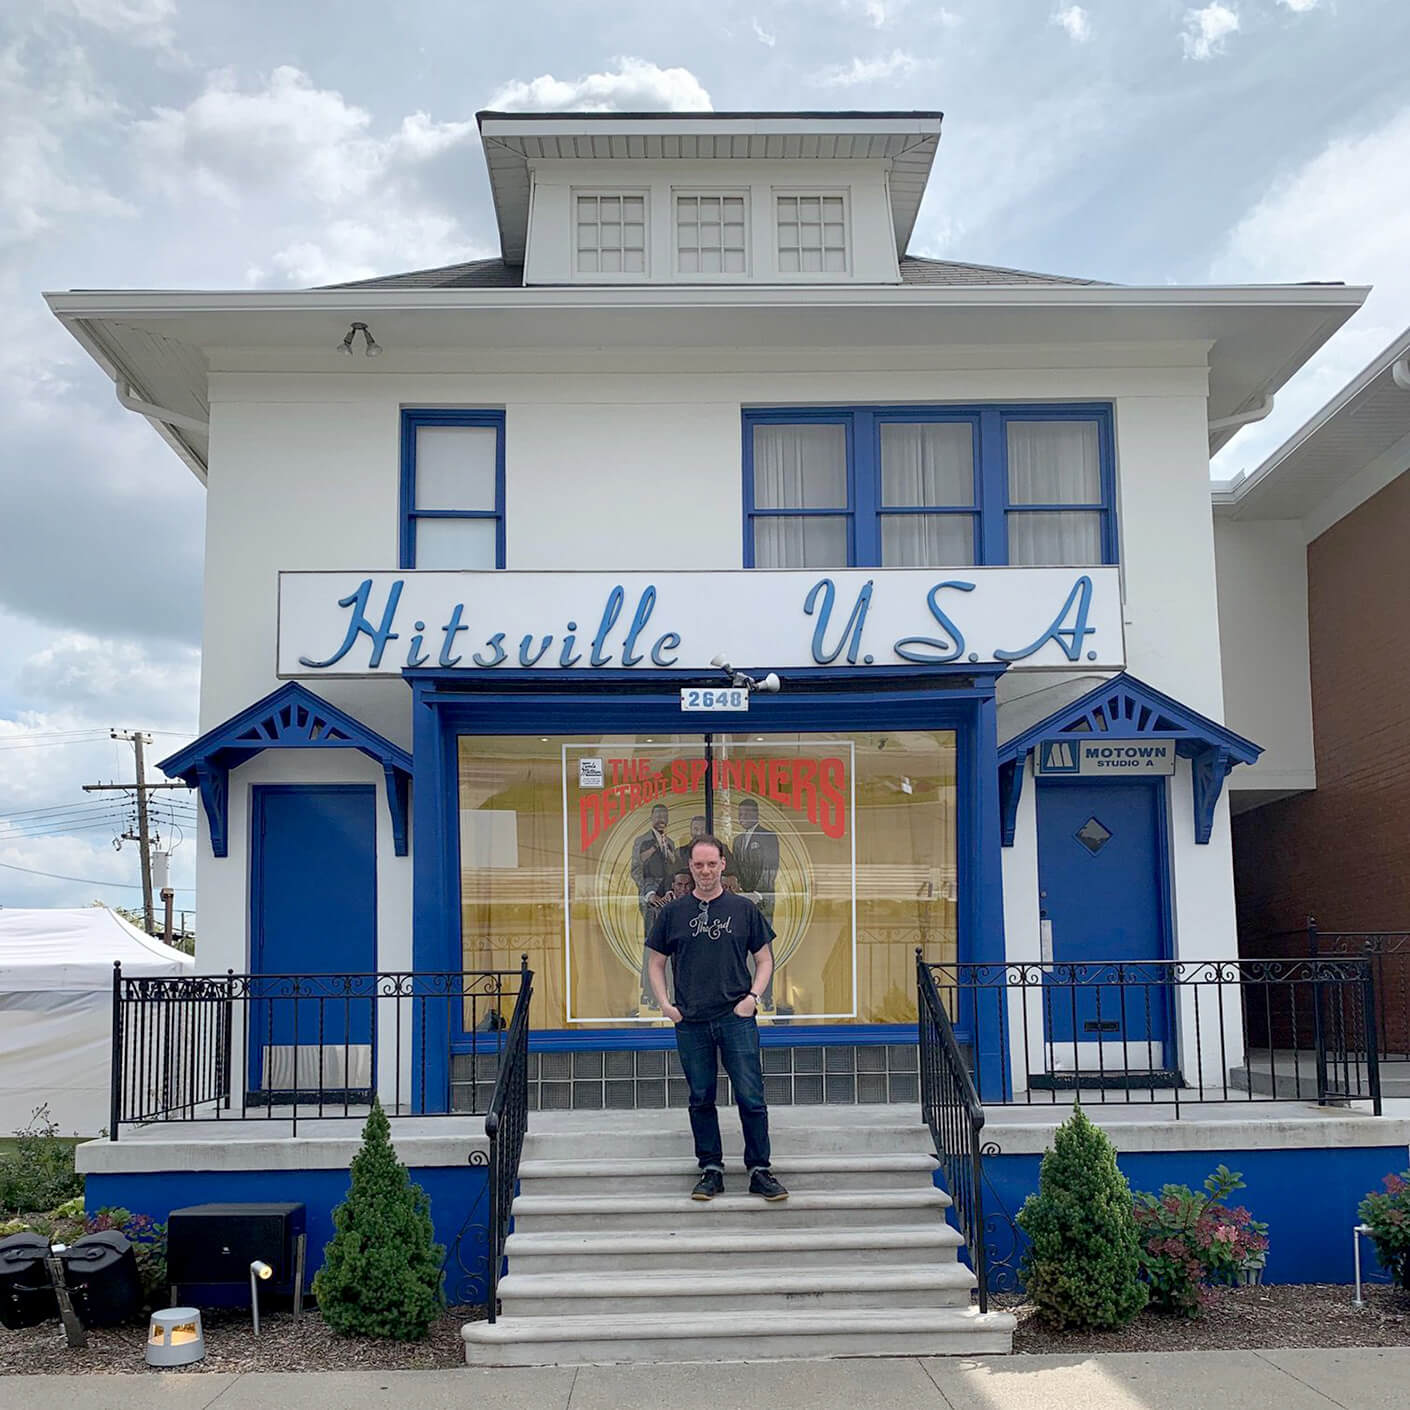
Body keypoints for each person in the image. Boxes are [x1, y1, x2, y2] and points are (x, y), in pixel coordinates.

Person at [645, 834, 788, 1202]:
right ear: (689, 868)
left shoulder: (743, 910)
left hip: (735, 1018)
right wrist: (665, 1005)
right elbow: (656, 963)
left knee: (751, 1096)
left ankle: (760, 1170)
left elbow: (765, 959)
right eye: (698, 865)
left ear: (723, 864)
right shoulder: (673, 912)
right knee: (701, 1097)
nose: (705, 871)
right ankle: (711, 1169)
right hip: (691, 1021)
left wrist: (752, 998)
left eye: (712, 864)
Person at [730, 796, 781, 1006]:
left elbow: (770, 868)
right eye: (740, 814)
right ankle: (747, 992)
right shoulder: (738, 840)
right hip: (742, 901)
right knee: (742, 947)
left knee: (764, 948)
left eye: (747, 813)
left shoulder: (769, 836)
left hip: (762, 901)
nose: (743, 817)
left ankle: (766, 996)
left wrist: (758, 894)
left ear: (756, 814)